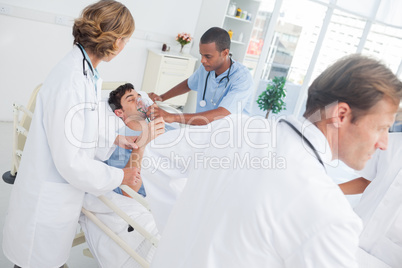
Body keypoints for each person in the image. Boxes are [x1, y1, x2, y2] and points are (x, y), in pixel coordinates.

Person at [141, 54, 402, 267]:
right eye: (381, 128)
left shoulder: (234, 129)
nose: (384, 143)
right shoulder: (329, 214)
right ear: (341, 115)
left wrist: (181, 232)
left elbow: (156, 156)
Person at [2, 1, 137, 267]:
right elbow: (71, 162)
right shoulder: (71, 81)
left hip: (58, 200)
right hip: (47, 203)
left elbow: (78, 127)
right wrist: (121, 175)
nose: (124, 46)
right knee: (36, 259)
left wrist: (113, 138)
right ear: (115, 40)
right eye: (126, 40)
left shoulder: (87, 72)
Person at [80, 83, 165, 268]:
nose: (139, 101)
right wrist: (142, 144)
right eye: (131, 99)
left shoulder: (163, 129)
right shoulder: (116, 143)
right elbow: (128, 193)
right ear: (119, 113)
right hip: (143, 205)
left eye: (138, 97)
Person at [147, 27, 254, 125]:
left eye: (208, 56)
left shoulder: (242, 78)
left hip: (228, 134)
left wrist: (173, 117)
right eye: (201, 55)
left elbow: (222, 114)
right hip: (204, 130)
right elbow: (188, 84)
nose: (202, 60)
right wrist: (162, 97)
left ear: (225, 53)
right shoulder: (207, 67)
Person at [339, 133, 402, 267]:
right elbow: (367, 181)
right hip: (355, 232)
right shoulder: (389, 141)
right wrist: (329, 189)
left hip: (389, 257)